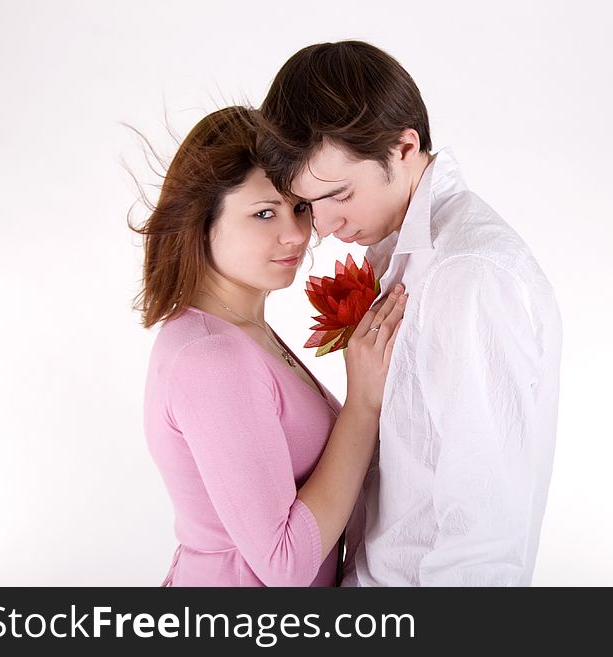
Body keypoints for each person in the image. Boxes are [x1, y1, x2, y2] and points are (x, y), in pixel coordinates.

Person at [257, 41, 563, 586]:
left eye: (340, 194)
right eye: (310, 204)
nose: (323, 227)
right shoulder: (411, 262)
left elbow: (484, 536)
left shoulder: (467, 274)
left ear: (403, 148)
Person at [131, 105, 407, 586]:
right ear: (201, 221)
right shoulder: (212, 357)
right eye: (263, 213)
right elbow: (285, 564)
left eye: (300, 207)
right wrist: (362, 402)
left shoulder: (240, 333)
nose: (296, 234)